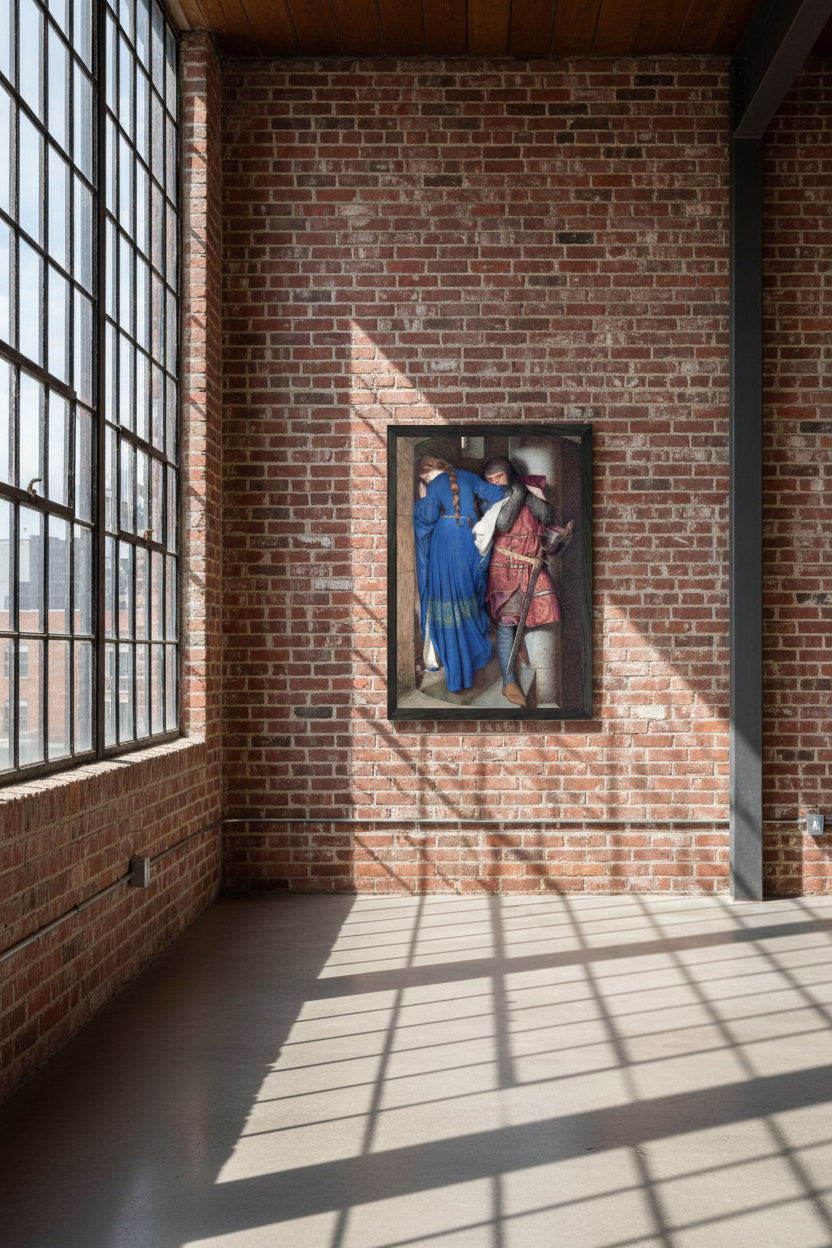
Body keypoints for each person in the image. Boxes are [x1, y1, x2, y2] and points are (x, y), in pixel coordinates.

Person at [482, 456, 573, 709]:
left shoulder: (528, 488)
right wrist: (514, 493)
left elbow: (545, 515)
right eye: (490, 479)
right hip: (506, 567)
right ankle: (508, 681)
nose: (495, 482)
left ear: (509, 473)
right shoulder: (491, 494)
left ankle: (544, 689)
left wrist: (522, 491)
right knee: (508, 622)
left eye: (499, 477)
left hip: (532, 565)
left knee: (544, 615)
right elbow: (503, 522)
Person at [412, 456, 507, 693]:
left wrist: (421, 502)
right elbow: (498, 495)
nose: (426, 479)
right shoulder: (469, 477)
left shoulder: (434, 485)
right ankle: (472, 647)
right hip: (466, 539)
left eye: (425, 476)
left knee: (447, 597)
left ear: (433, 470)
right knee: (469, 591)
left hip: (443, 540)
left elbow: (427, 516)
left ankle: (455, 661)